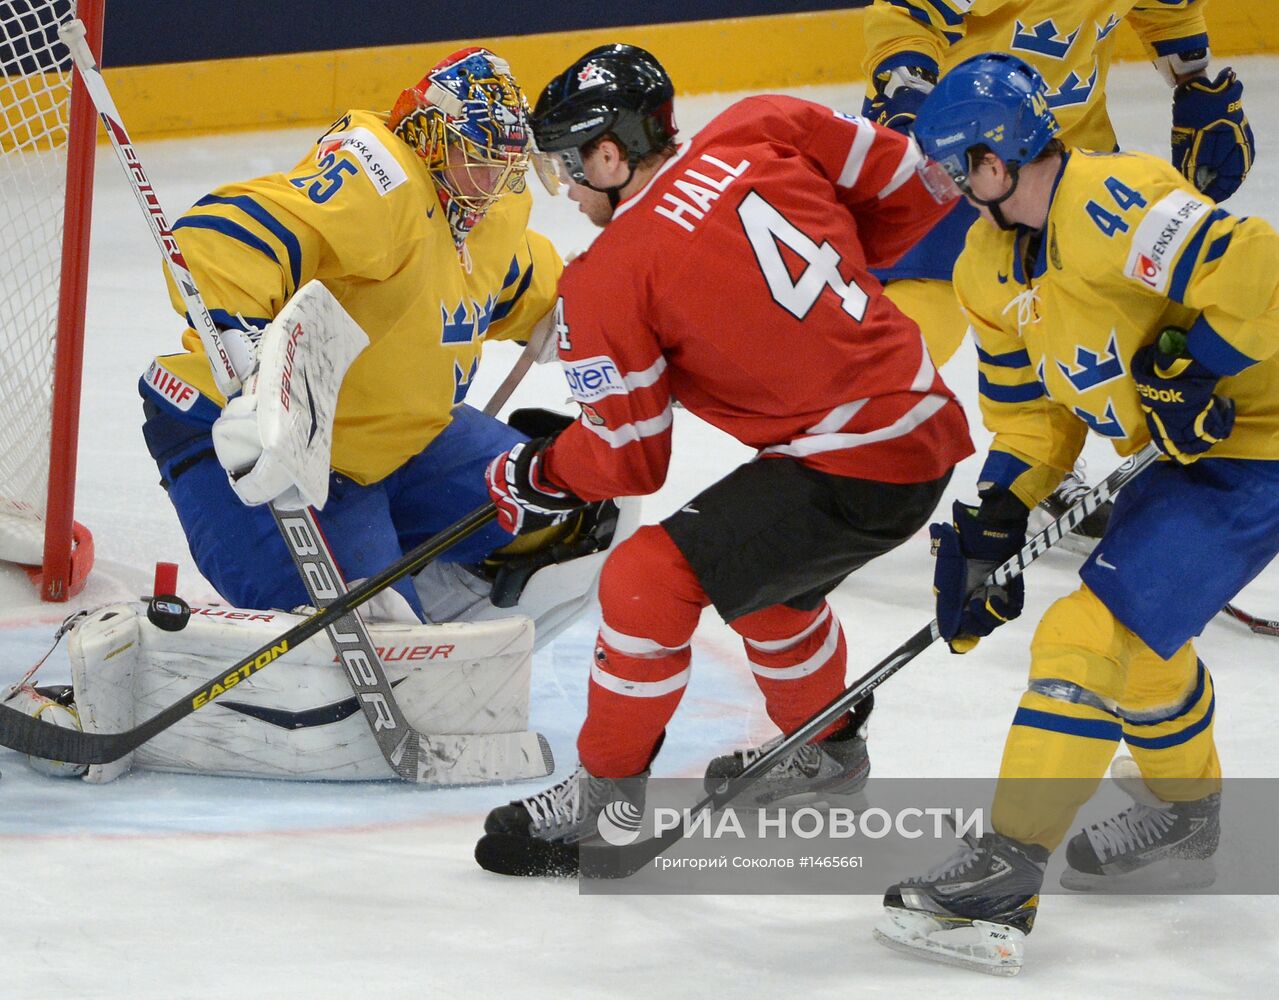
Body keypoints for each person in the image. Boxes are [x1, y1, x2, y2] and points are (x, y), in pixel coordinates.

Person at [474, 44, 975, 877]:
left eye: (569, 162)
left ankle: (604, 810)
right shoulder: (762, 123)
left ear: (608, 152)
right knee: (762, 585)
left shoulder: (605, 279)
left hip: (853, 461)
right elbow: (917, 189)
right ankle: (827, 755)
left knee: (645, 581)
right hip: (914, 420)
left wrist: (541, 474)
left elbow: (630, 459)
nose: (563, 185)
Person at [873, 53, 1279, 975]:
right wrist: (995, 519)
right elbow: (1029, 415)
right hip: (1188, 457)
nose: (945, 188)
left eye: (951, 168)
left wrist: (1196, 360)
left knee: (1080, 637)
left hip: (1259, 447)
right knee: (1138, 650)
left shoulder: (1115, 199)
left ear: (993, 157)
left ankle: (1005, 868)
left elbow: (1259, 266)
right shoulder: (986, 264)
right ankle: (1185, 820)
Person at [137, 47, 573, 624]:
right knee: (376, 635)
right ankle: (375, 636)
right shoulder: (380, 182)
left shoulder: (488, 207)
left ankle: (426, 618)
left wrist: (580, 313)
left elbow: (512, 280)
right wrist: (257, 376)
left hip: (393, 447)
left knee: (562, 497)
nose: (495, 182)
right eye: (482, 158)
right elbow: (217, 238)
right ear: (432, 139)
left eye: (508, 165)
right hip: (240, 438)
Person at [861, 0, 1256, 550]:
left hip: (1065, 153)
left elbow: (1167, 8)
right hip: (960, 151)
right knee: (913, 327)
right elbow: (906, 16)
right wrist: (908, 95)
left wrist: (1194, 80)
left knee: (1102, 323)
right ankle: (821, 452)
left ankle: (1071, 476)